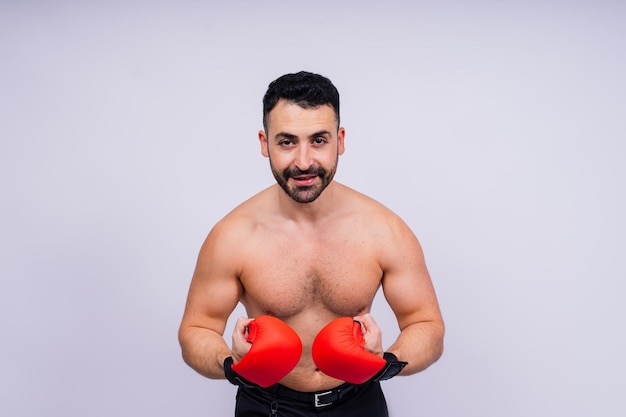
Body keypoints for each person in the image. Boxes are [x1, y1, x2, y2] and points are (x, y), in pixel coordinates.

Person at [178, 71, 444, 416]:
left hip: (358, 403)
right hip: (267, 405)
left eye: (319, 140)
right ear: (264, 143)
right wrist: (231, 362)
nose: (303, 162)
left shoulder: (384, 230)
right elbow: (196, 330)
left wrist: (386, 362)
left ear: (340, 140)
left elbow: (427, 325)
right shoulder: (233, 236)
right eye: (287, 142)